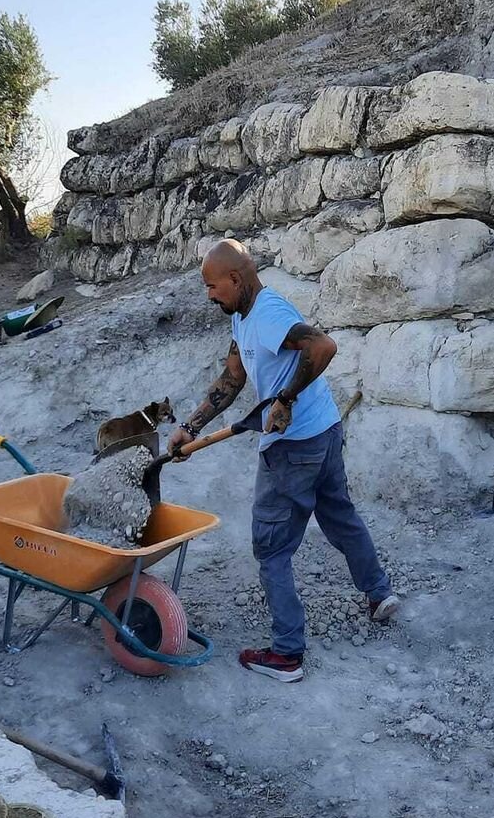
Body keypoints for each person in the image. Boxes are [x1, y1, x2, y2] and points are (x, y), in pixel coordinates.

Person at [169, 239, 399, 683]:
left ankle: (287, 654)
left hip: (294, 446)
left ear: (235, 278)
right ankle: (379, 593)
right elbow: (232, 378)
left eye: (212, 286)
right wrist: (192, 426)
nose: (209, 295)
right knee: (340, 515)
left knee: (271, 547)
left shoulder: (269, 313)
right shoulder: (241, 317)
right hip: (324, 431)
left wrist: (286, 399)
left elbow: (323, 346)